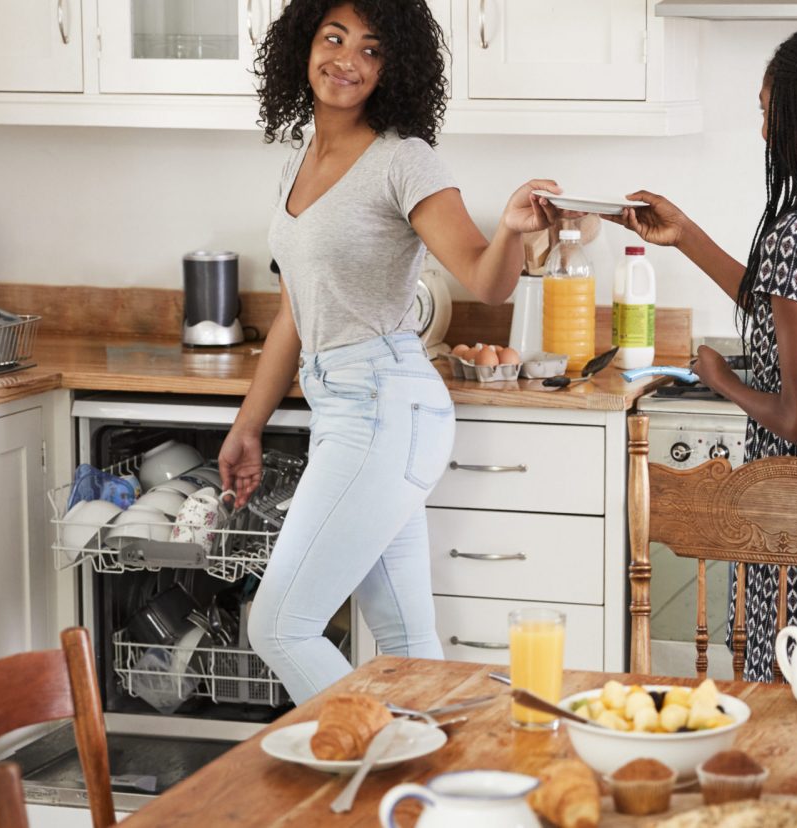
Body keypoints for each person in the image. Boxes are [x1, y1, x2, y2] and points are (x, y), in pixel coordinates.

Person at [219, 0, 562, 703]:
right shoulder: (295, 164)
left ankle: (376, 768)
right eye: (334, 38)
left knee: (280, 627)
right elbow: (293, 311)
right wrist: (247, 425)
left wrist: (515, 231)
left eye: (371, 50)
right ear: (302, 44)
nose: (347, 61)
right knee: (407, 648)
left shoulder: (404, 159)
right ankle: (436, 797)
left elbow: (484, 278)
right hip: (346, 408)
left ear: (392, 68)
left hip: (383, 407)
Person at [609, 24, 797, 682]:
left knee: (791, 682)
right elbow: (779, 302)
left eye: (767, 112)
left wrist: (723, 379)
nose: (763, 132)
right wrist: (685, 234)